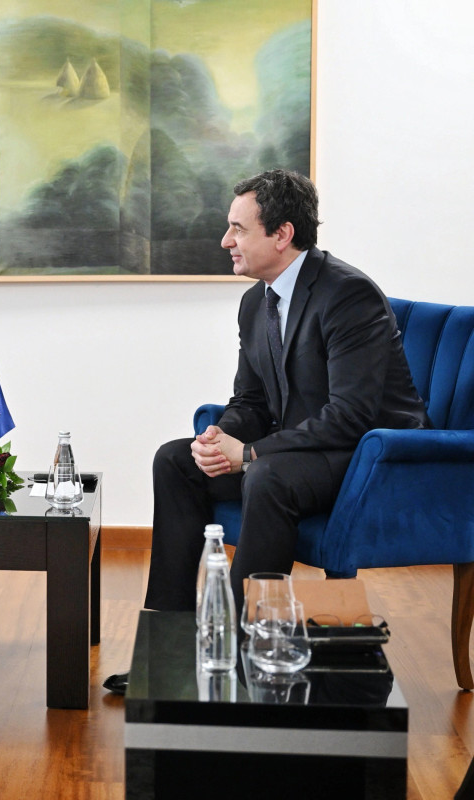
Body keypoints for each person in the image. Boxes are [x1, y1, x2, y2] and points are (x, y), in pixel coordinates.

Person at [104, 170, 428, 695]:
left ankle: (237, 650)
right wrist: (219, 438)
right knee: (175, 459)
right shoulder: (257, 301)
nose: (225, 241)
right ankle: (168, 650)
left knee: (267, 475)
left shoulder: (349, 295)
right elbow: (252, 400)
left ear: (282, 234)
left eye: (238, 229)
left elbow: (352, 415)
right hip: (301, 450)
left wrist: (250, 453)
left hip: (371, 457)